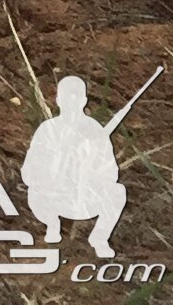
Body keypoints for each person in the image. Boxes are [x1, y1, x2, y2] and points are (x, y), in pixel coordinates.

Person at [23, 75, 129, 258]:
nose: (71, 105)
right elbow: (29, 171)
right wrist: (53, 167)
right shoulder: (48, 130)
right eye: (66, 98)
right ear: (58, 100)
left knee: (117, 192)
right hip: (53, 197)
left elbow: (111, 172)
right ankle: (52, 224)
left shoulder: (95, 130)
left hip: (85, 197)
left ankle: (100, 238)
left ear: (84, 101)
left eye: (76, 98)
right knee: (34, 192)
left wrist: (90, 167)